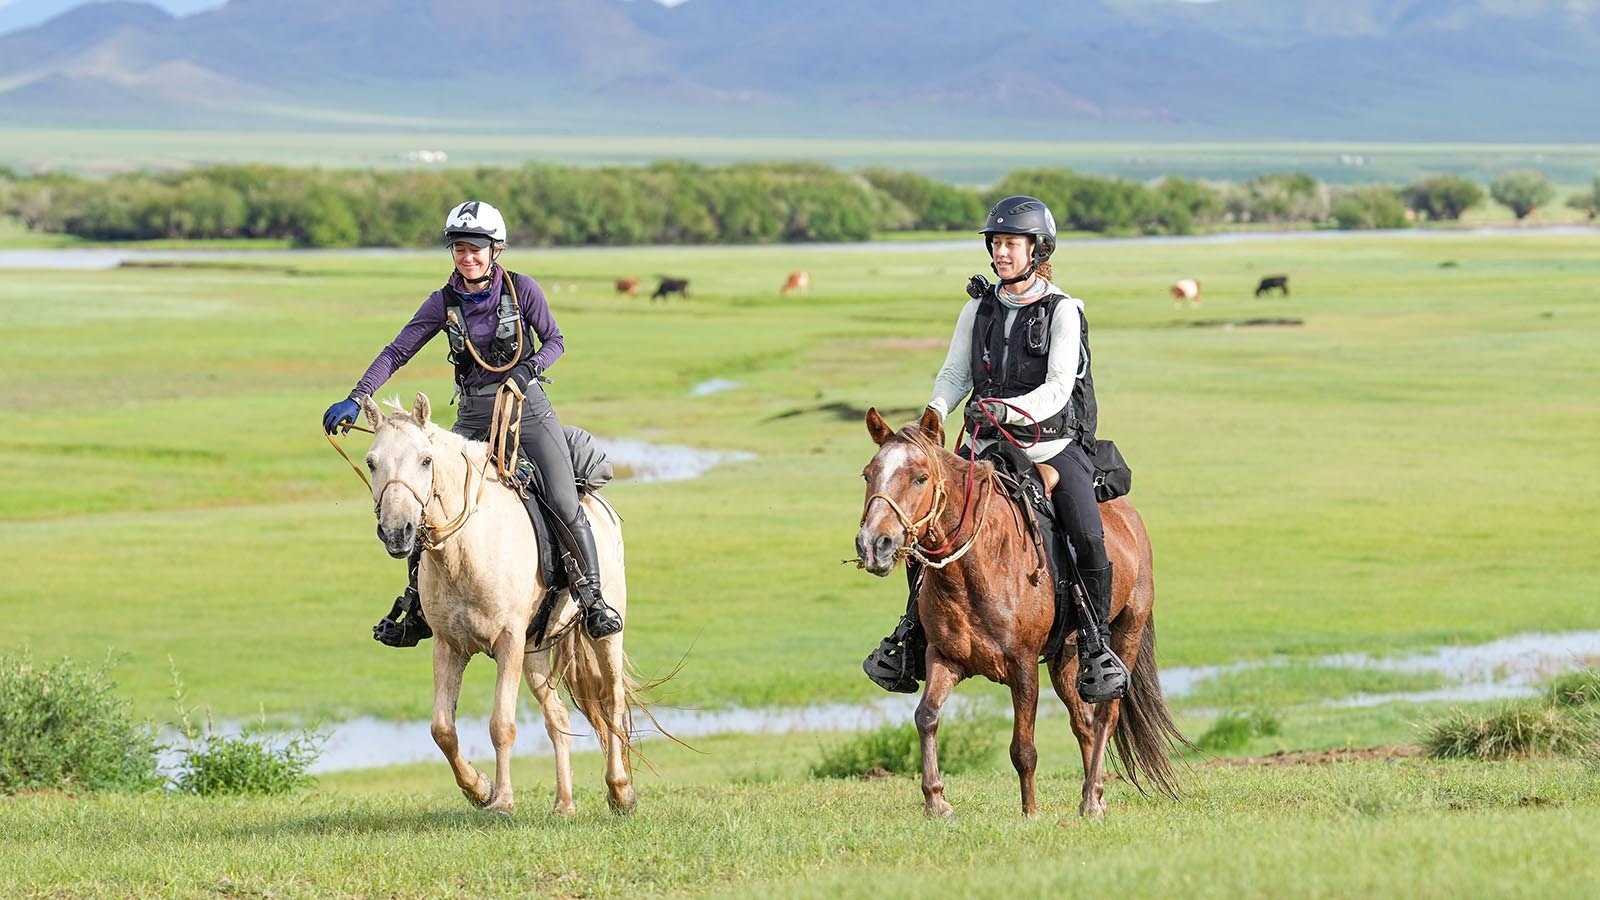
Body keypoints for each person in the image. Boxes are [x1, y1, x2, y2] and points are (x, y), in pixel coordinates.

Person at [861, 195, 1130, 704]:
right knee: (930, 534)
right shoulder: (977, 307)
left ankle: (1095, 644)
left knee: (1087, 533)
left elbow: (1056, 387)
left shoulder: (1064, 311)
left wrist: (1006, 410)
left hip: (1050, 447)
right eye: (997, 243)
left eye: (1012, 243)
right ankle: (911, 637)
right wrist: (935, 414)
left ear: (1037, 249)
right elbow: (955, 373)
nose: (1002, 252)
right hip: (983, 451)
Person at [321, 200, 623, 646]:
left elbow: (556, 340)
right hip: (472, 416)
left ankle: (593, 599)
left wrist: (526, 370)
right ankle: (418, 609)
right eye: (459, 248)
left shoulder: (523, 290)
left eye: (476, 248)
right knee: (430, 504)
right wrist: (356, 396)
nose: (467, 257)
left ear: (495, 249)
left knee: (561, 497)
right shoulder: (441, 302)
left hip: (527, 409)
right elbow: (396, 351)